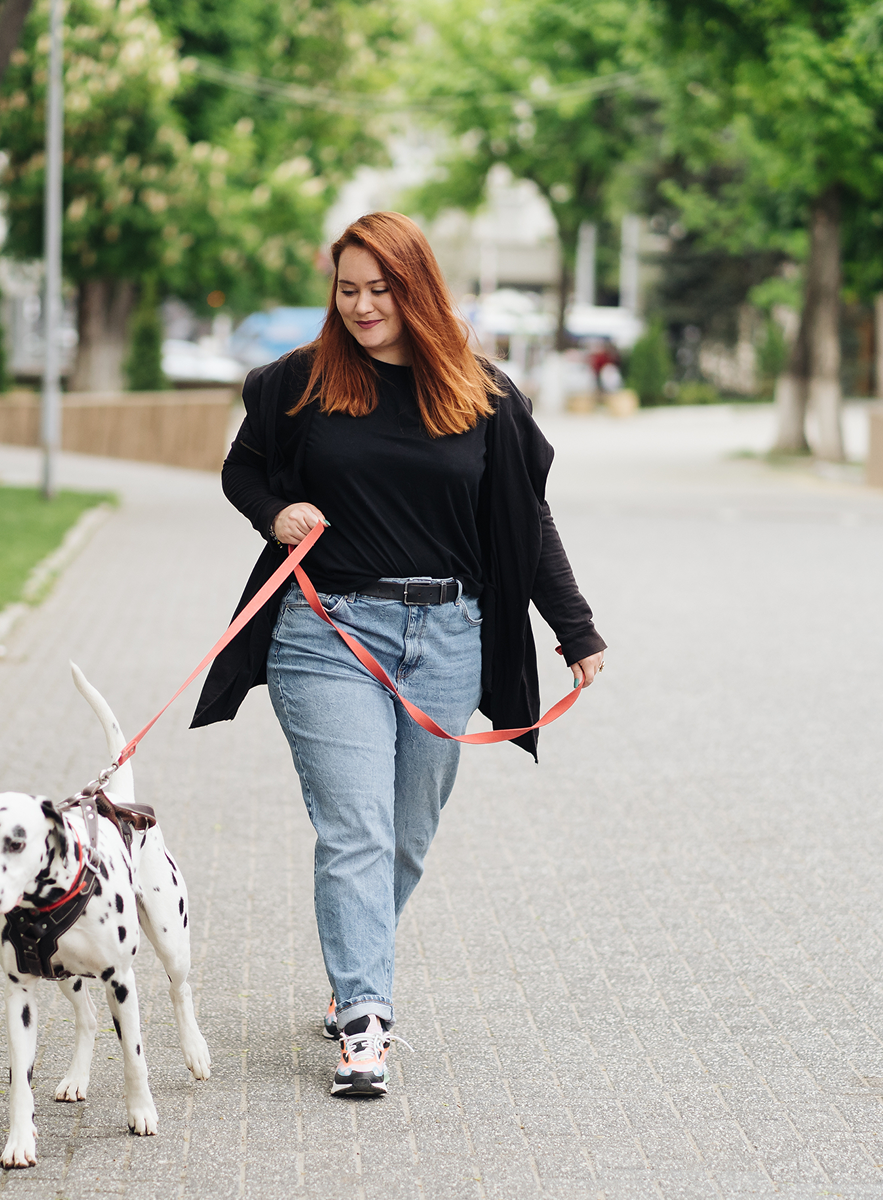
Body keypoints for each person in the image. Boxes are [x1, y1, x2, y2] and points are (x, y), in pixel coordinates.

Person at [191, 212, 606, 1098]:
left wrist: (574, 627)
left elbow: (525, 519)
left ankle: (353, 972)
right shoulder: (298, 384)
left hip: (448, 636)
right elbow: (243, 471)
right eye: (349, 290)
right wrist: (276, 514)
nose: (364, 306)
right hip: (326, 631)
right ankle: (366, 1019)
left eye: (381, 289)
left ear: (417, 289)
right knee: (358, 829)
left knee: (407, 838)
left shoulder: (480, 393)